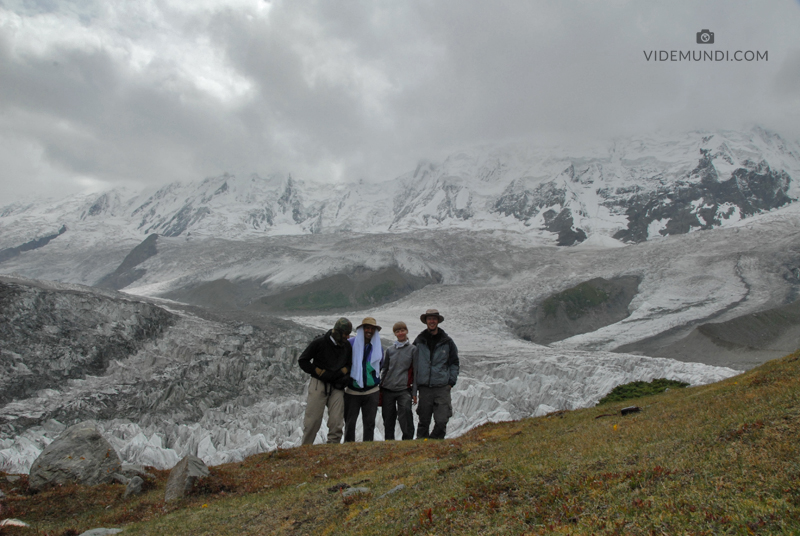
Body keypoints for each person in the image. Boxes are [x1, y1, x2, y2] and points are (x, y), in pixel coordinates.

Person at [298, 317, 353, 445]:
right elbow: (303, 361)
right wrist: (320, 372)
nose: (347, 337)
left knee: (337, 422)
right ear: (338, 332)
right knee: (313, 421)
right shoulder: (319, 343)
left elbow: (350, 364)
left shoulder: (346, 346)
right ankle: (305, 450)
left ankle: (332, 450)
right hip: (319, 384)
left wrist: (341, 374)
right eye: (345, 334)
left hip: (337, 386)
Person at [413, 308, 459, 440]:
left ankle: (434, 444)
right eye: (429, 319)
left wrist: (450, 382)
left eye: (434, 319)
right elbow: (412, 362)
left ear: (438, 321)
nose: (431, 321)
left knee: (441, 420)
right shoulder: (419, 340)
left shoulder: (447, 342)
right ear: (426, 321)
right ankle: (421, 447)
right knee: (423, 421)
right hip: (425, 387)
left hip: (441, 387)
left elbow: (454, 362)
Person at [344, 317, 383, 442]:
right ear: (362, 329)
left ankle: (368, 447)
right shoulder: (351, 343)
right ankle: (349, 446)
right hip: (352, 390)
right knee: (350, 422)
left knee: (369, 422)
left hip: (371, 391)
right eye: (367, 328)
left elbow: (381, 365)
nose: (369, 330)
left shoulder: (377, 347)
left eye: (372, 328)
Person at [380, 321, 417, 440]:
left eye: (402, 330)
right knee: (388, 417)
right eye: (397, 331)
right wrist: (381, 385)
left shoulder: (413, 350)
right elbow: (385, 368)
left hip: (404, 389)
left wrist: (414, 392)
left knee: (405, 414)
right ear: (394, 334)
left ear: (406, 331)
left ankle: (408, 440)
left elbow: (416, 372)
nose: (400, 333)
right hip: (388, 389)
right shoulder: (390, 350)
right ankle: (389, 441)